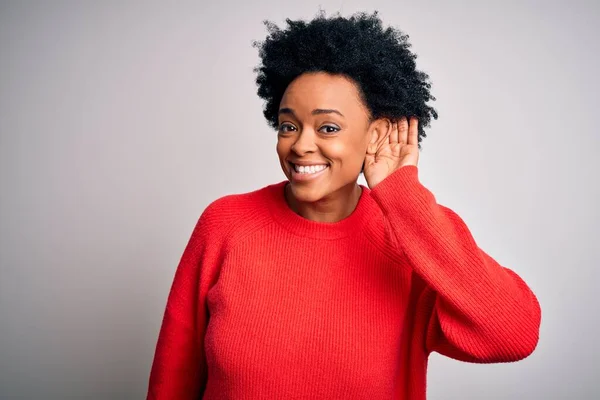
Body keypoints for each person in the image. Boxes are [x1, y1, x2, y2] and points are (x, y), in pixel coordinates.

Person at [146, 10, 541, 400]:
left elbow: (513, 334)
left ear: (377, 134)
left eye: (328, 127)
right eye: (288, 126)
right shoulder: (226, 224)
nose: (300, 145)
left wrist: (401, 195)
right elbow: (173, 379)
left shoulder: (411, 242)